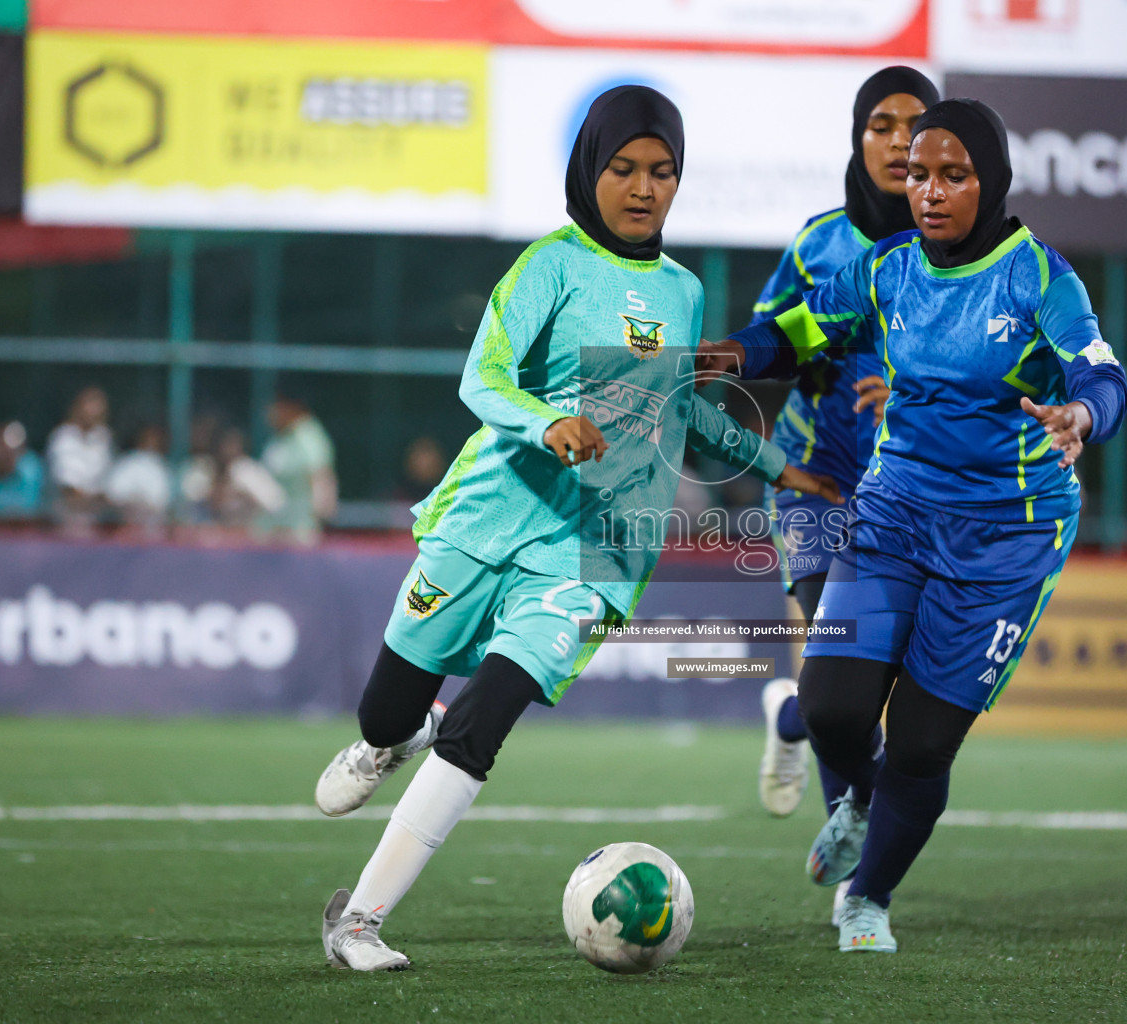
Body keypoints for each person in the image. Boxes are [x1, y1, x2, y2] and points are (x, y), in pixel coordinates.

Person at [313, 85, 839, 972]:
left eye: (662, 171)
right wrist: (543, 422)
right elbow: (482, 380)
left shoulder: (680, 289)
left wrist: (779, 466)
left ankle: (356, 922)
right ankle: (386, 740)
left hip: (594, 548)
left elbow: (678, 410)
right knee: (391, 709)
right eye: (624, 169)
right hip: (493, 514)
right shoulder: (548, 265)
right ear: (589, 170)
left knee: (481, 720)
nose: (644, 188)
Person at [699, 98, 1127, 953]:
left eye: (953, 175)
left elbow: (1101, 370)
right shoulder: (889, 267)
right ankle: (857, 798)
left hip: (1007, 536)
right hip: (895, 511)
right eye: (921, 175)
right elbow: (800, 326)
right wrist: (739, 354)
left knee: (925, 744)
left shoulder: (1040, 276)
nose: (930, 191)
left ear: (992, 181)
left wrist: (1083, 417)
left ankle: (868, 898)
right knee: (829, 706)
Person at [747, 67, 940, 928]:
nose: (900, 141)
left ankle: (789, 721)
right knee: (843, 663)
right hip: (817, 484)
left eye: (917, 126)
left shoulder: (967, 258)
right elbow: (771, 340)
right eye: (883, 125)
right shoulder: (820, 243)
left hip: (917, 494)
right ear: (858, 141)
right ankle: (861, 870)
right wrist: (755, 354)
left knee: (863, 693)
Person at [259, 391, 337, 545]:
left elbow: (321, 478)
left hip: (298, 533)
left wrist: (321, 519)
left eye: (276, 406)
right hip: (271, 531)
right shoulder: (279, 437)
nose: (270, 412)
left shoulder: (309, 436)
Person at [46, 386, 112, 535]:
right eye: (90, 405)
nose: (95, 411)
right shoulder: (63, 438)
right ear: (77, 407)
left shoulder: (103, 437)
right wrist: (101, 500)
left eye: (99, 407)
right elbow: (70, 493)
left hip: (96, 521)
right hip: (63, 523)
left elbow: (106, 486)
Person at [105, 423, 173, 536]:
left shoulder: (161, 467)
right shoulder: (127, 463)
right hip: (123, 526)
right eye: (149, 438)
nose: (152, 442)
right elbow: (113, 494)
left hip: (152, 529)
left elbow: (163, 501)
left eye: (155, 439)